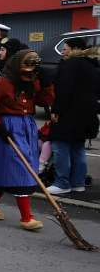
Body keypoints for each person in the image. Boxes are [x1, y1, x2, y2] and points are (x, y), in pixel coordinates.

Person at [0, 50, 53, 230]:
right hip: (7, 129)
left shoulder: (32, 83)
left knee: (14, 168)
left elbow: (46, 101)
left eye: (31, 72)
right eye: (25, 71)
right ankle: (27, 217)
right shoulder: (0, 83)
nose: (28, 75)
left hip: (27, 127)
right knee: (21, 168)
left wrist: (46, 83)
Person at [47, 37, 99, 195]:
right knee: (78, 148)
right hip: (86, 114)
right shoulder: (93, 66)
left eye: (65, 48)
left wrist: (56, 111)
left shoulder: (70, 65)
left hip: (68, 114)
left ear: (75, 49)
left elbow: (63, 90)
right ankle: (78, 182)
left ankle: (62, 182)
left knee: (60, 146)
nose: (62, 51)